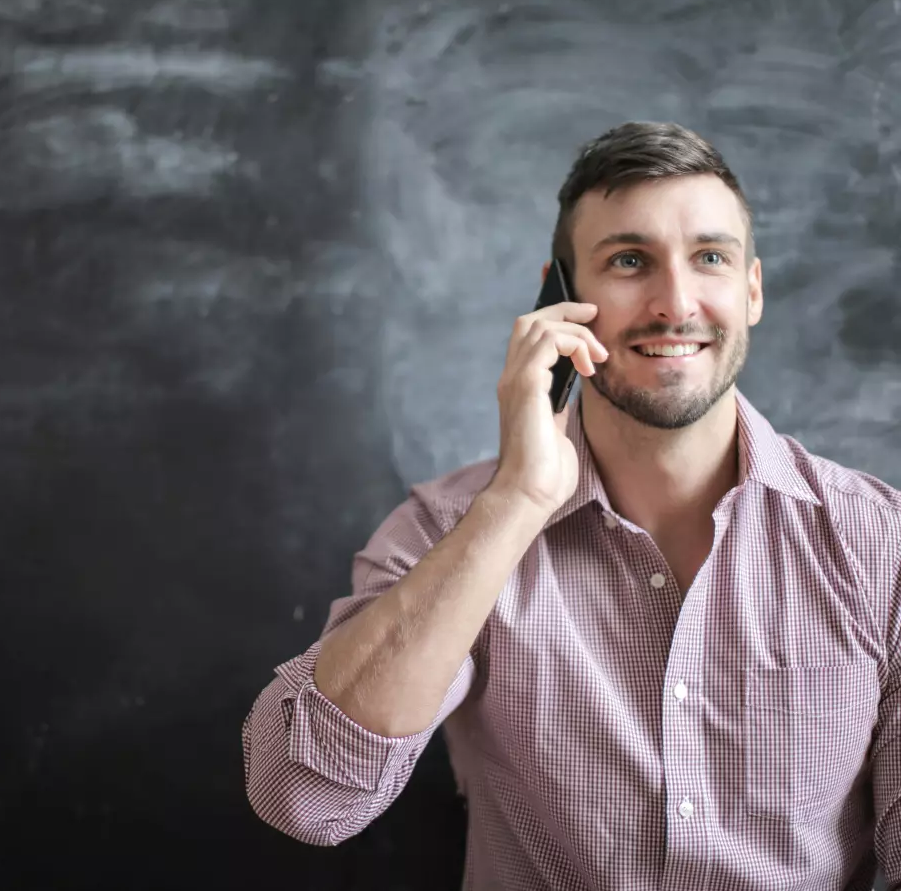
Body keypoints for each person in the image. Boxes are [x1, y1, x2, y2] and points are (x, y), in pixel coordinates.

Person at [241, 121, 901, 890]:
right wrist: (518, 501)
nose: (675, 303)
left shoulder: (879, 545)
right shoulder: (452, 531)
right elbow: (307, 798)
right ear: (561, 295)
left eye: (710, 259)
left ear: (750, 290)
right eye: (629, 261)